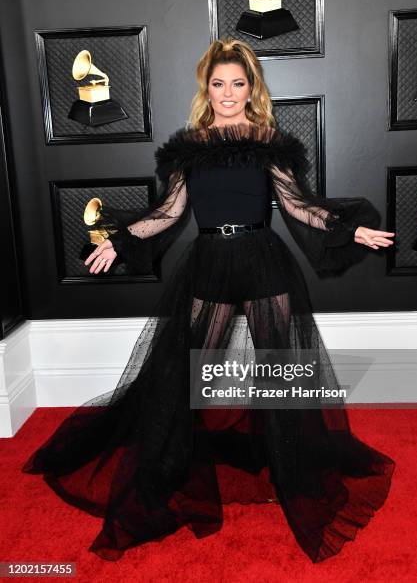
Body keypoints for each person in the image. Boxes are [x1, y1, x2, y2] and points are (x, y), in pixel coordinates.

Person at [22, 37, 396, 563]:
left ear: (251, 89)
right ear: (208, 88)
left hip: (264, 259)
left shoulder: (269, 140)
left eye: (237, 84)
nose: (227, 93)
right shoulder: (189, 148)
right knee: (178, 373)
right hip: (210, 262)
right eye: (218, 84)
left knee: (282, 376)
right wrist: (120, 239)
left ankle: (298, 471)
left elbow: (298, 205)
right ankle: (161, 470)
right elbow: (169, 212)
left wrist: (347, 229)